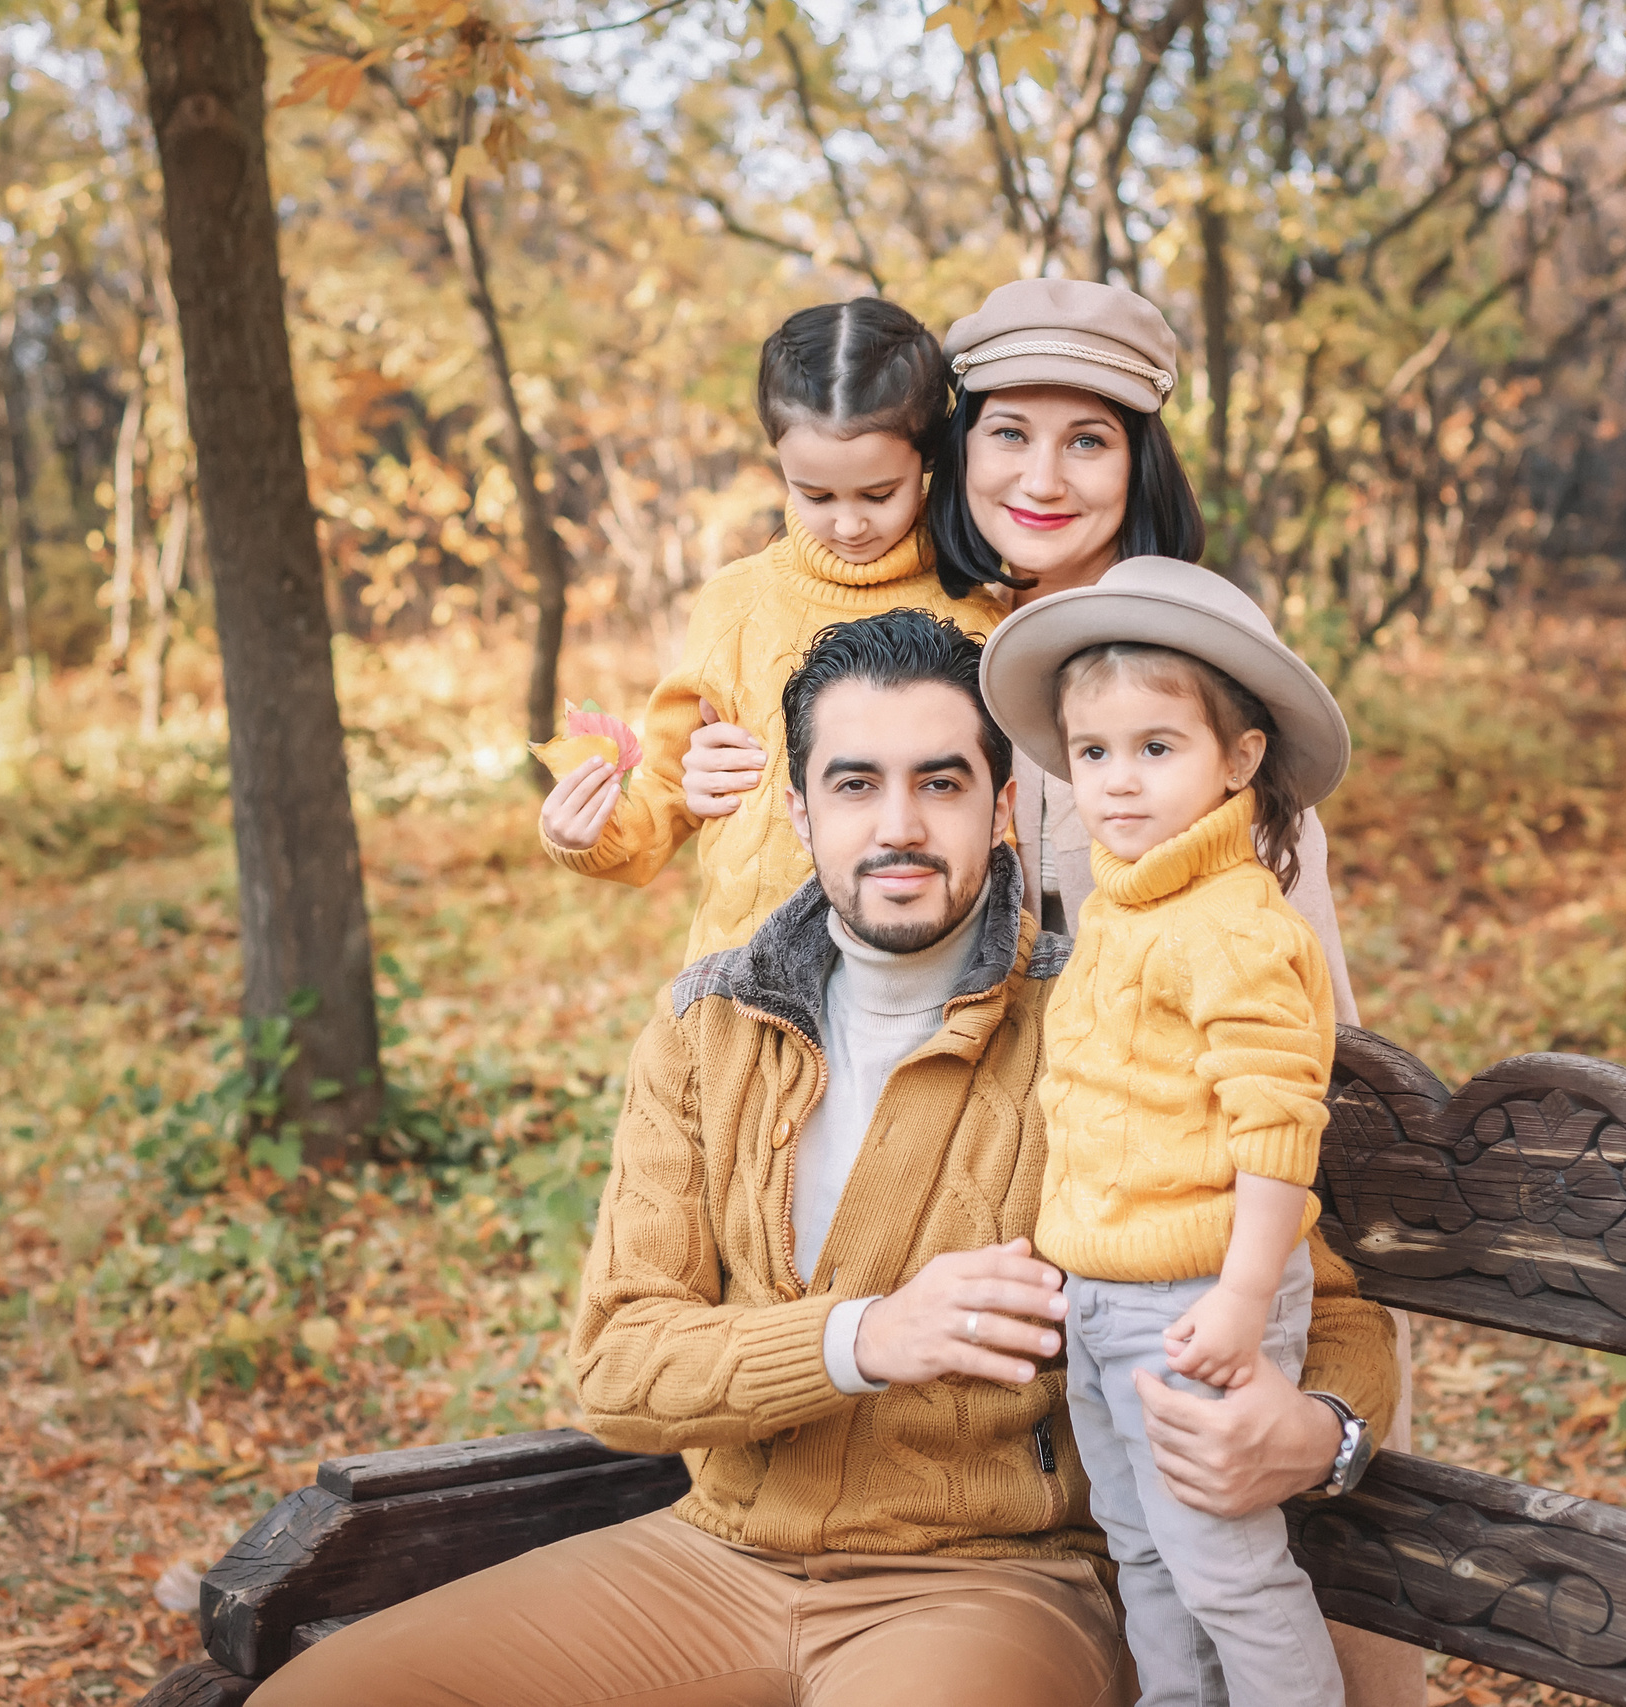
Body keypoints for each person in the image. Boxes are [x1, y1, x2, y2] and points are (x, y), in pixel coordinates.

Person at [257, 610, 1395, 1707]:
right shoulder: (710, 1028)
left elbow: (1327, 1308)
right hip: (710, 1558)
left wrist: (1320, 1431)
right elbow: (615, 1364)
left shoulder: (1095, 1013)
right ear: (798, 809)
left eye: (940, 781)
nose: (897, 825)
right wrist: (866, 1336)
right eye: (854, 783)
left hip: (987, 1581)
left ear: (1003, 803)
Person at [682, 277, 1426, 1706]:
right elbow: (780, 987)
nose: (1040, 475)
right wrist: (692, 786)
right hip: (961, 1391)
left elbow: (1302, 1103)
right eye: (1006, 432)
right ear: (951, 455)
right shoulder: (915, 680)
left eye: (1091, 441)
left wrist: (1326, 1417)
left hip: (1185, 1296)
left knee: (1257, 1602)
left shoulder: (1201, 739)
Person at [981, 557, 1359, 1707]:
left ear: (1237, 759)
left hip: (1197, 1297)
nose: (1121, 782)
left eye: (1158, 748)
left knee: (1226, 1570)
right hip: (1102, 1299)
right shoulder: (1123, 907)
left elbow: (1275, 1128)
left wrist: (1245, 1299)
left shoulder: (1233, 925)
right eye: (1094, 754)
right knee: (1139, 1551)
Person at [539, 297, 996, 962]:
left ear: (925, 461)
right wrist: (589, 830)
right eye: (815, 494)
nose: (847, 524)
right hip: (745, 977)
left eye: (877, 494)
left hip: (927, 983)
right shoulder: (736, 602)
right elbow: (668, 793)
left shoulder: (979, 615)